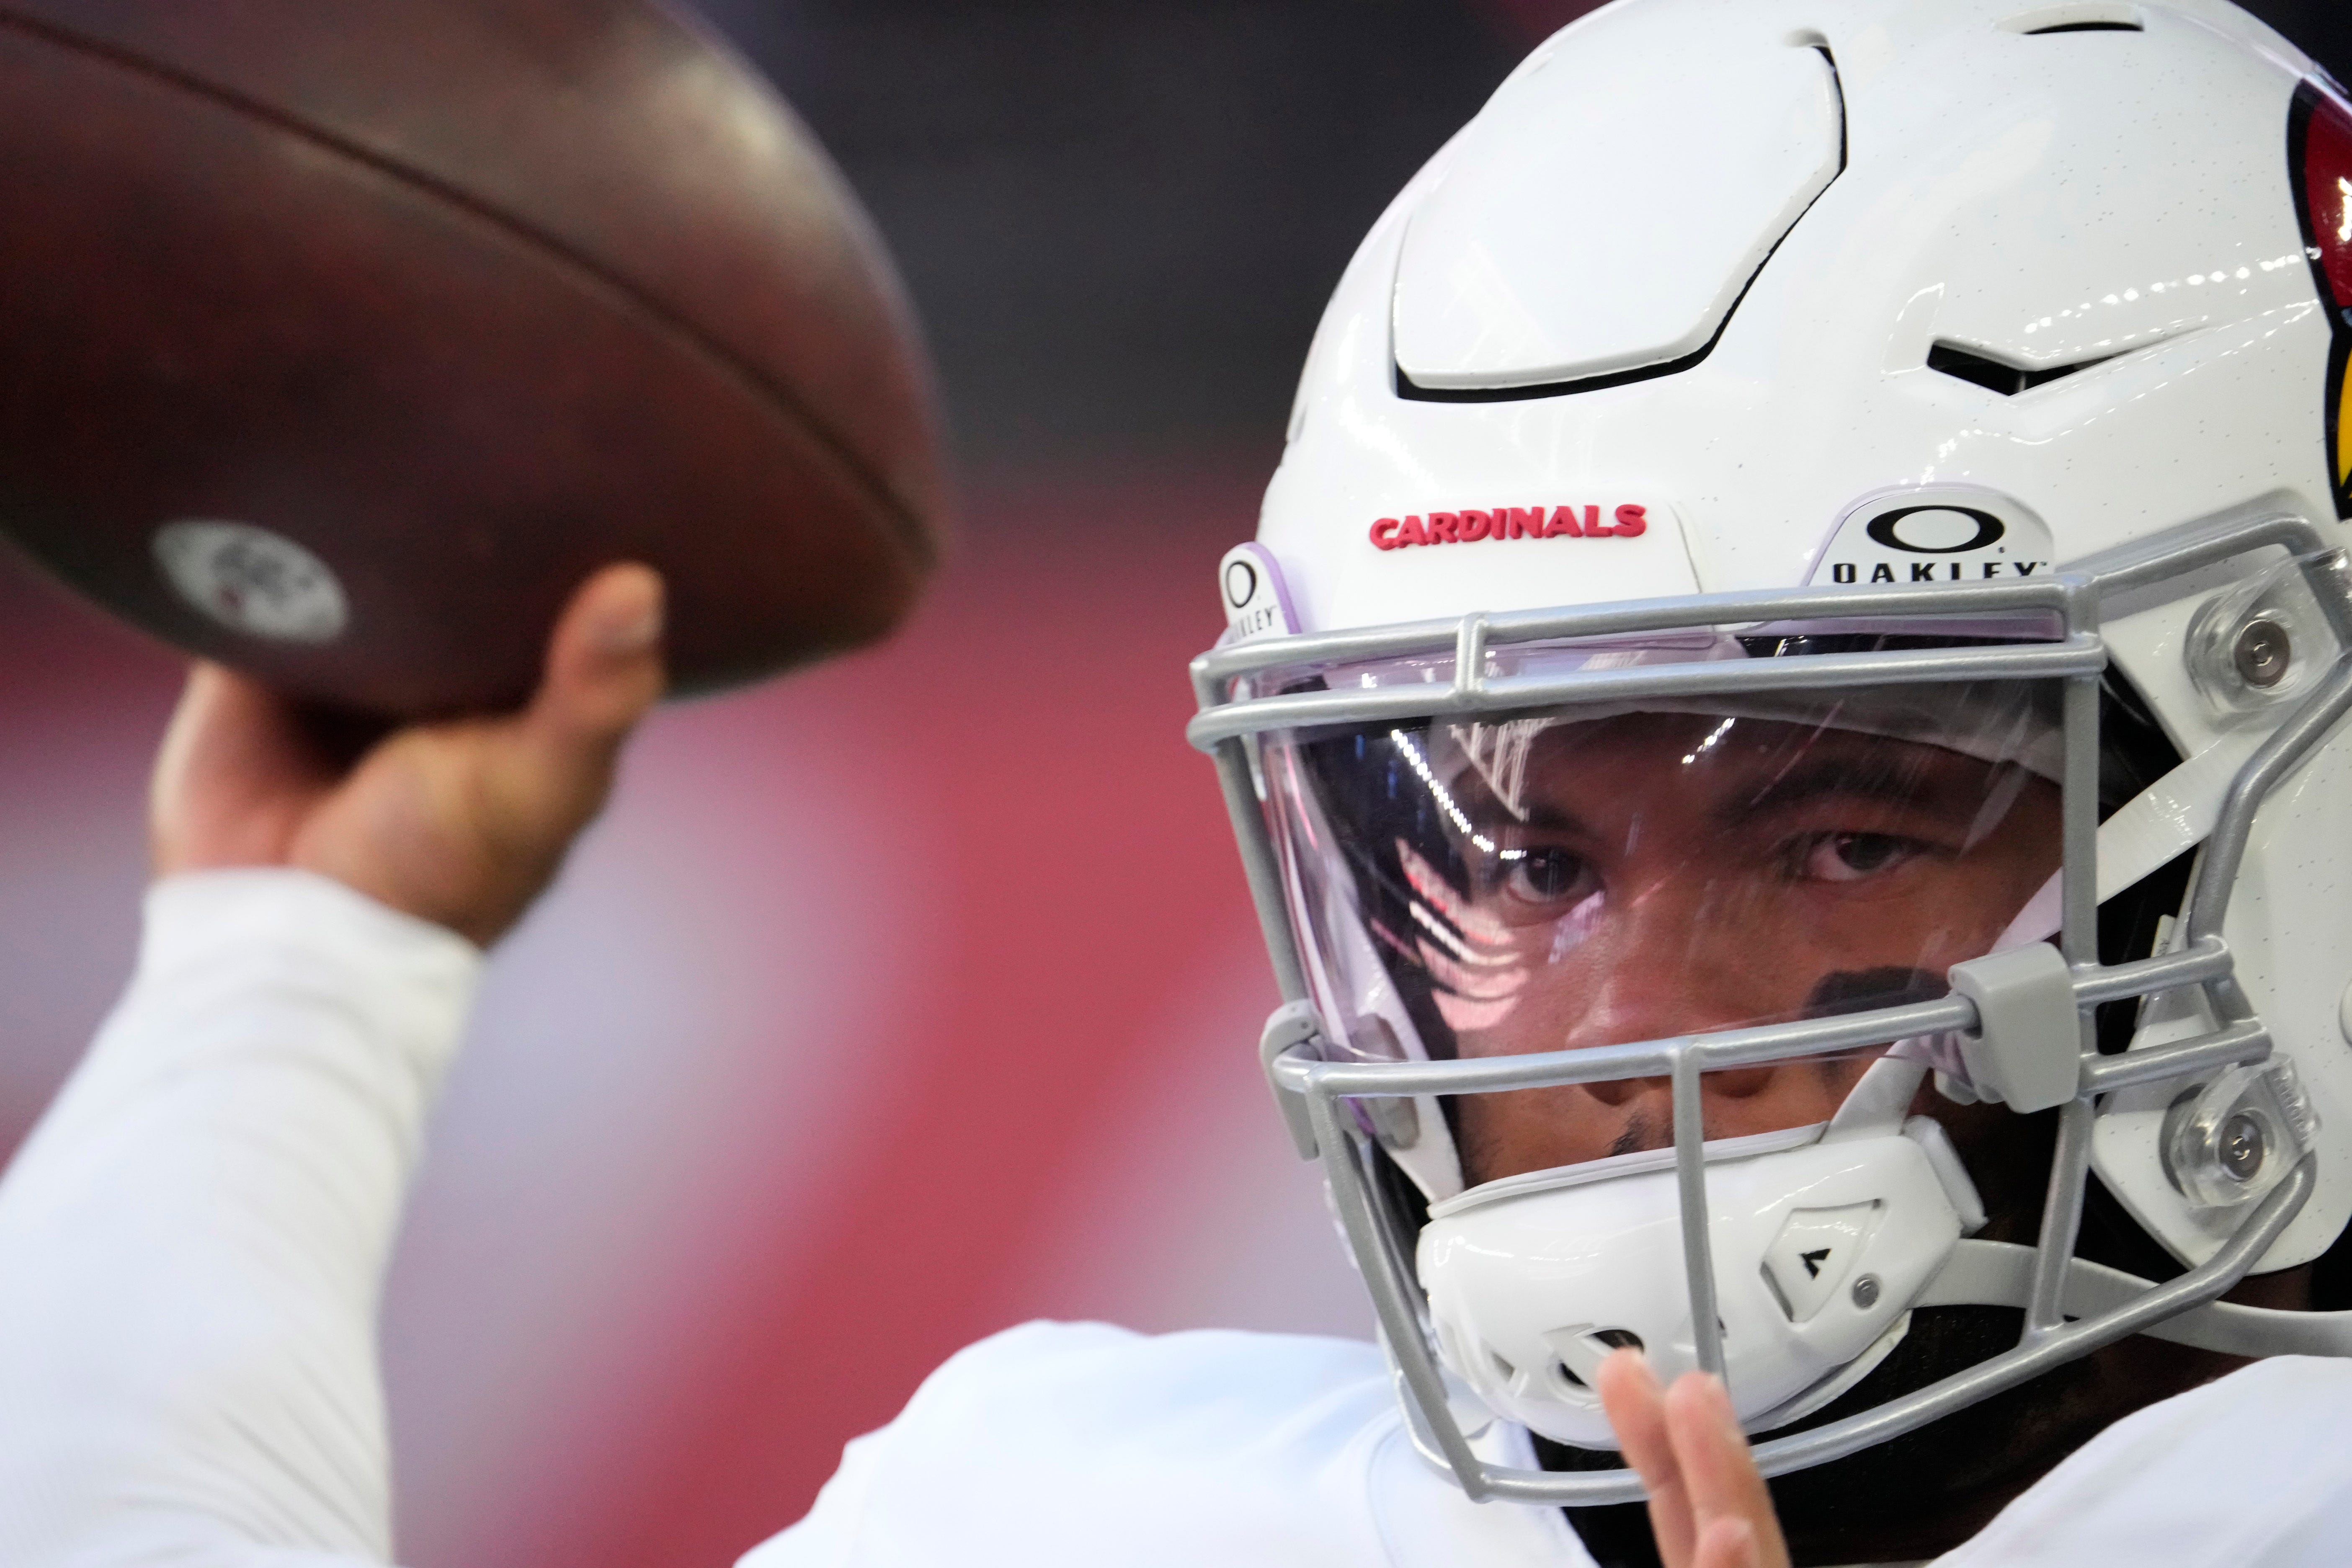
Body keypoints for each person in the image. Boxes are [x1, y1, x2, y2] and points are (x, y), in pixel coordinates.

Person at [13, 1, 2352, 1566]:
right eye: (1524, 852)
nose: (1612, 1023)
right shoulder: (1083, 1505)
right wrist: (293, 968)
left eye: (1842, 832)